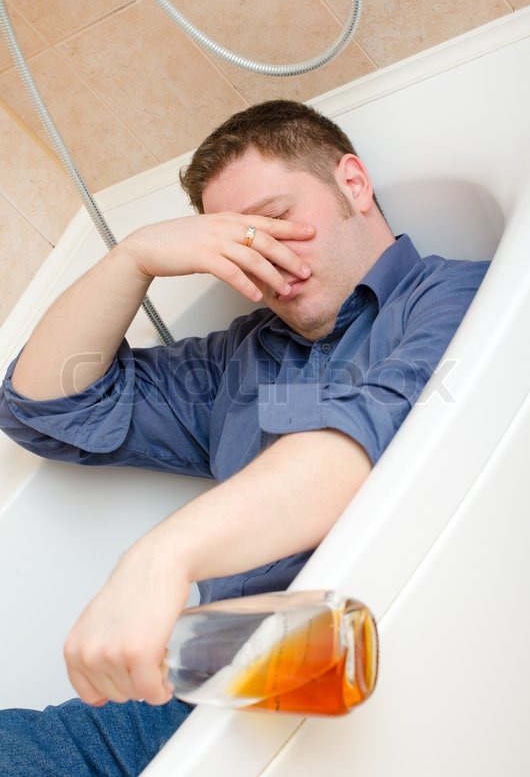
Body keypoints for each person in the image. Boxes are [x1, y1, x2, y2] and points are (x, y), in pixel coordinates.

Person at [0, 99, 489, 775]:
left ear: (353, 184)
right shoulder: (237, 361)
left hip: (382, 664)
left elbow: (366, 435)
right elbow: (45, 405)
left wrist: (160, 559)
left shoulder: (458, 299)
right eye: (243, 240)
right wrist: (133, 258)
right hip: (205, 684)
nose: (267, 258)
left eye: (277, 220)